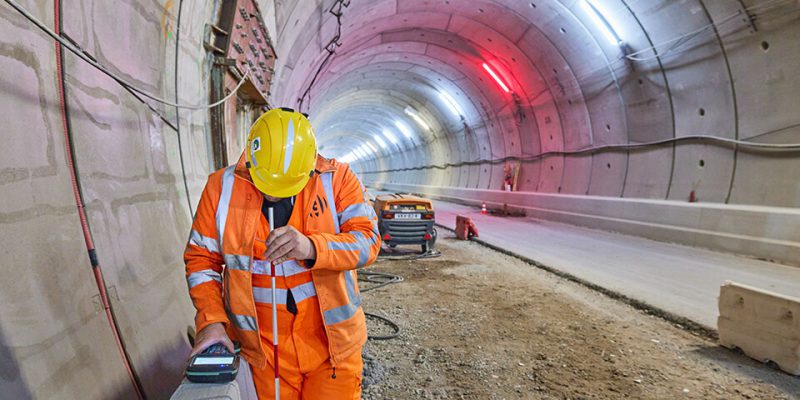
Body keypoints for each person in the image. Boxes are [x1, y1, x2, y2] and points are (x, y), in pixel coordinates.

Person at [184, 107, 380, 399]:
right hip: (263, 353)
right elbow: (201, 261)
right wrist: (212, 323)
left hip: (332, 350)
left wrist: (313, 247)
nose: (272, 195)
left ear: (310, 164)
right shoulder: (221, 188)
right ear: (251, 156)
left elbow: (368, 242)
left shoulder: (337, 179)